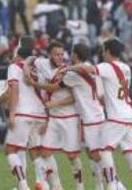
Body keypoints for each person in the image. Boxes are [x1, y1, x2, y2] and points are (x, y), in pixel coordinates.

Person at [67, 38, 132, 190]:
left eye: (103, 49)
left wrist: (69, 68)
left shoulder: (107, 66)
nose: (102, 52)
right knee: (131, 154)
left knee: (102, 150)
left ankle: (112, 186)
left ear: (107, 51)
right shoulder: (126, 67)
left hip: (117, 116)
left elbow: (89, 69)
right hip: (130, 115)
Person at [0, 40, 49, 190]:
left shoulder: (14, 67)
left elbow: (13, 90)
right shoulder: (38, 69)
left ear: (17, 55)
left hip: (23, 113)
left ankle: (23, 186)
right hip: (40, 114)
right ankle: (43, 185)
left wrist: (12, 114)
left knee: (10, 150)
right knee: (35, 151)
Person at [24, 41, 82, 190]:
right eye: (56, 54)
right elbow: (30, 59)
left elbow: (74, 97)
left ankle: (79, 186)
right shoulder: (42, 63)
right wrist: (25, 69)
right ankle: (56, 186)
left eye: (62, 54)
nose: (60, 57)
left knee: (72, 156)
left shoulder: (68, 72)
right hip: (53, 119)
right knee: (45, 153)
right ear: (49, 54)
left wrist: (55, 104)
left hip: (69, 117)